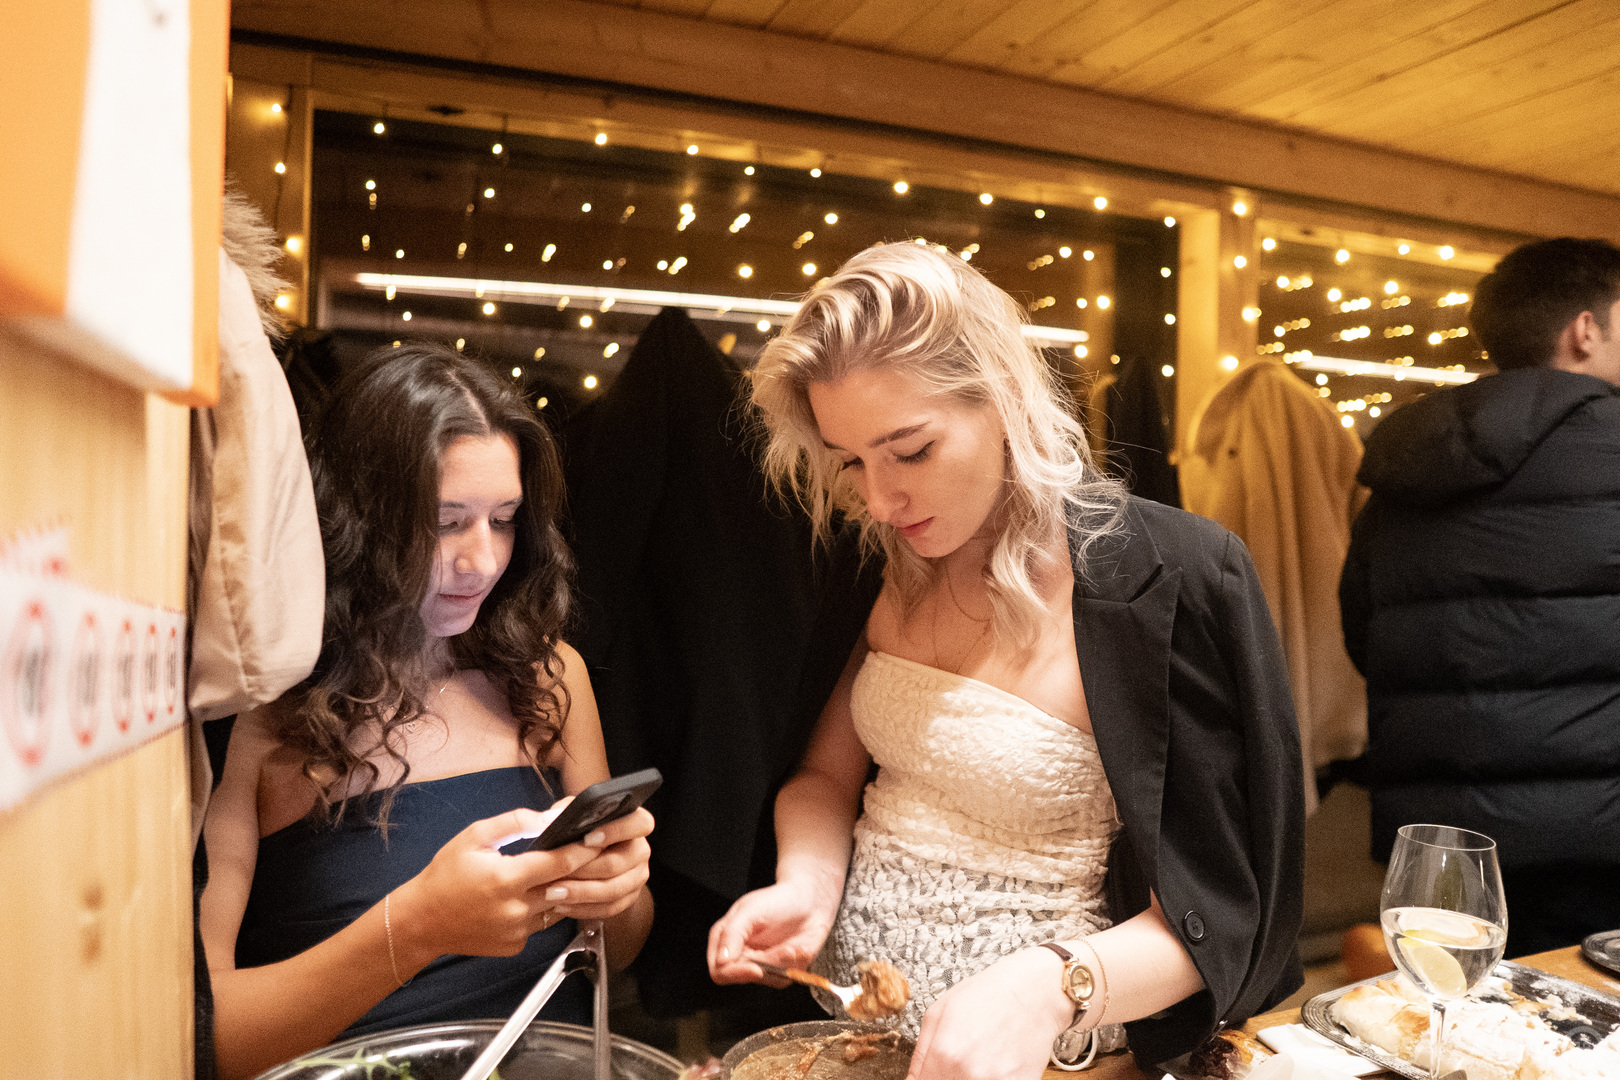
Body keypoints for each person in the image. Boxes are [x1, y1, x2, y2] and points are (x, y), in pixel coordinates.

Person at [707, 242, 1305, 1078]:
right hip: (855, 1038)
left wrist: (1049, 987)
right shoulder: (875, 555)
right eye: (851, 462)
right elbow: (825, 778)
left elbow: (1228, 916)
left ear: (1004, 399)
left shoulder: (1173, 579)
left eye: (910, 450)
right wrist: (805, 886)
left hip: (1058, 1060)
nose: (878, 499)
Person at [199, 345, 654, 1080]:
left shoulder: (547, 676)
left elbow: (618, 950)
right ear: (357, 518)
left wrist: (616, 893)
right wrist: (416, 928)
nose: (483, 561)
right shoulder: (259, 714)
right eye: (447, 522)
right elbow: (210, 1039)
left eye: (504, 520)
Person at [1340, 237, 1620, 957]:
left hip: (1437, 835)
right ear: (1585, 329)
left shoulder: (1408, 460)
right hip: (1598, 840)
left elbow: (1364, 632)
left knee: (1453, 1009)